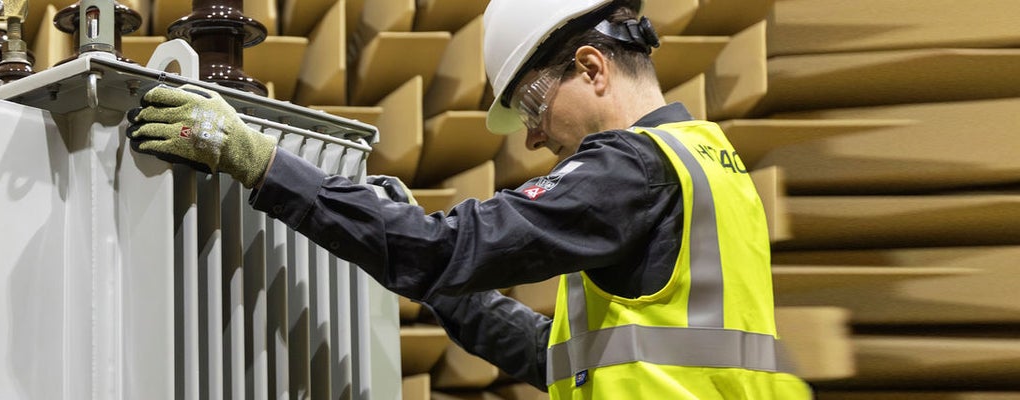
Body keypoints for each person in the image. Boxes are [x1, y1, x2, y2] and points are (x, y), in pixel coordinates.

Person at [122, 0, 812, 397]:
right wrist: (423, 258)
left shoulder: (632, 170)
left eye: (534, 104)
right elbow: (562, 358)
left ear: (593, 67)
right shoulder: (711, 160)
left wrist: (256, 160)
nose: (535, 135)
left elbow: (440, 250)